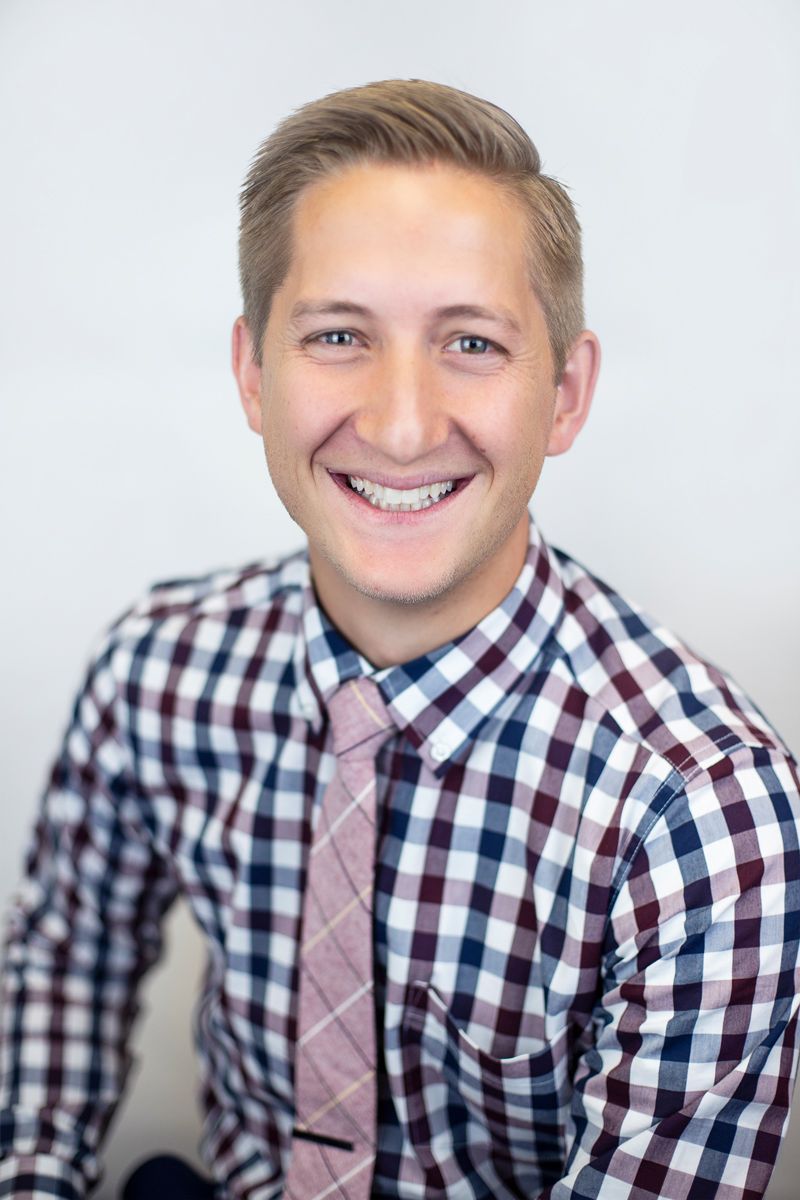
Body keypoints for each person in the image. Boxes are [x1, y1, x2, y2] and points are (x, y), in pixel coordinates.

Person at [1, 78, 798, 1200]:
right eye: (337, 335)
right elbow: (63, 965)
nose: (401, 423)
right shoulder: (157, 670)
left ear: (563, 396)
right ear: (251, 374)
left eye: (470, 342)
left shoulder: (702, 811)